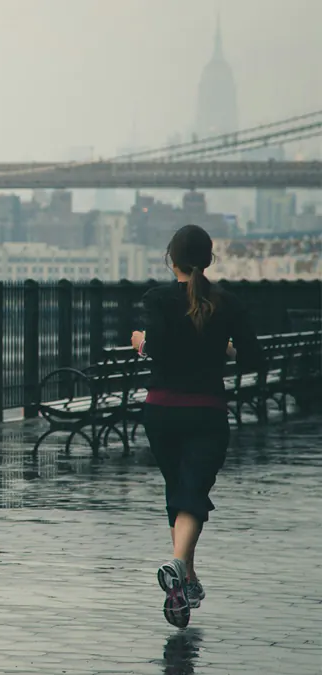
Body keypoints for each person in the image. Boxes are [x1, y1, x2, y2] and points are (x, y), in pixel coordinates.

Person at [129, 224, 264, 629]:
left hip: (161, 411)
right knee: (192, 493)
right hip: (206, 412)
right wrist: (224, 347)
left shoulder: (157, 299)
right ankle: (180, 569)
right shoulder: (226, 303)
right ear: (208, 259)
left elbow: (162, 347)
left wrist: (141, 343)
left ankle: (185, 580)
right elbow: (253, 360)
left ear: (172, 259)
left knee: (180, 492)